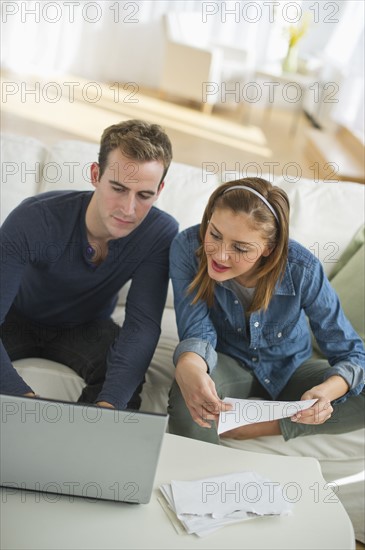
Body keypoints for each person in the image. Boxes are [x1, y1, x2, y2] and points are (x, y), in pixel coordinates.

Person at [168, 177, 365, 444]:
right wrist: (189, 366)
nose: (219, 254)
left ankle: (268, 426)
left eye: (240, 247)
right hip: (227, 361)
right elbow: (197, 328)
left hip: (291, 368)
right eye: (214, 234)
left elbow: (350, 351)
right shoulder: (187, 247)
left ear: (268, 249)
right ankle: (199, 481)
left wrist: (328, 391)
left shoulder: (303, 269)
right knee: (189, 391)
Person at [0, 119, 178, 410]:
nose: (128, 209)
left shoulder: (159, 234)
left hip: (86, 327)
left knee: (125, 382)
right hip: (14, 320)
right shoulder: (34, 219)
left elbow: (142, 326)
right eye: (118, 188)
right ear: (96, 175)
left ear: (159, 190)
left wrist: (108, 409)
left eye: (144, 195)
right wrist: (25, 404)